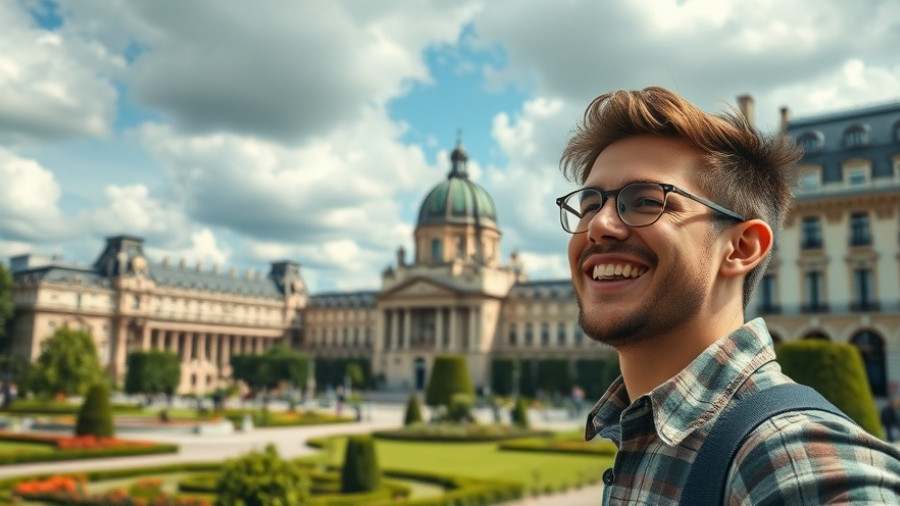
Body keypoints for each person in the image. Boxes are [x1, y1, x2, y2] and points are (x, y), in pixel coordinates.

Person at [556, 87, 900, 504]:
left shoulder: (790, 459)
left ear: (741, 248)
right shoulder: (645, 433)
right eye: (590, 204)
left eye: (646, 200)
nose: (599, 225)